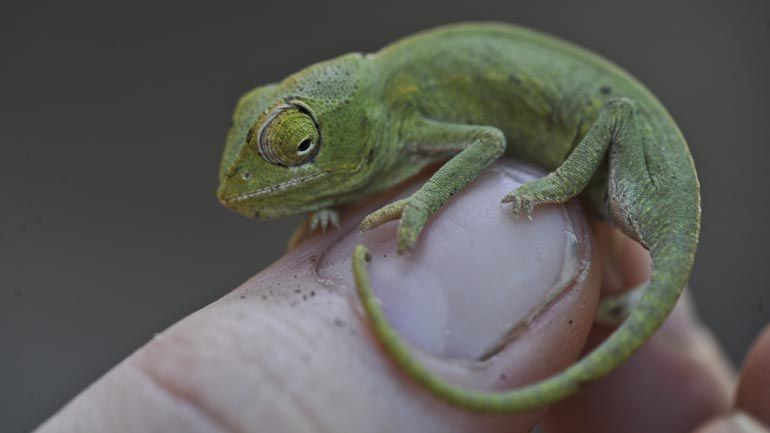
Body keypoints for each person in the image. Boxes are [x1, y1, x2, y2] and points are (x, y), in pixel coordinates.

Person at [35, 162, 769, 433]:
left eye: (296, 142)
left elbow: (481, 139)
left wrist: (426, 210)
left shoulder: (402, 113)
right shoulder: (377, 134)